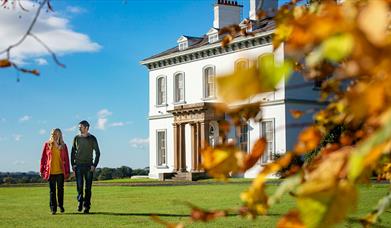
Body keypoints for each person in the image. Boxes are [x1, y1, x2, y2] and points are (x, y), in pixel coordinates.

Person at [71, 120, 100, 214]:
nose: (79, 128)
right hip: (78, 166)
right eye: (79, 127)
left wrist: (94, 165)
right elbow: (72, 152)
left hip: (89, 166)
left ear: (87, 128)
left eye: (81, 127)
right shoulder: (76, 138)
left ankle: (86, 206)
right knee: (79, 187)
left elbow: (98, 153)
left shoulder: (92, 138)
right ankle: (80, 201)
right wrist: (73, 165)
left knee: (88, 188)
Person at [40, 128, 70, 215]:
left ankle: (61, 206)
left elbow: (67, 159)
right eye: (53, 134)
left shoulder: (64, 146)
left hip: (61, 171)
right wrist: (42, 169)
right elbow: (43, 158)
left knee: (60, 190)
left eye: (57, 134)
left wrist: (68, 171)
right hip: (51, 172)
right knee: (52, 191)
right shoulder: (47, 144)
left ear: (60, 135)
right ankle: (53, 209)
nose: (55, 135)